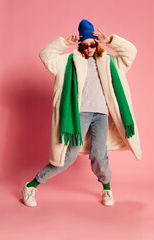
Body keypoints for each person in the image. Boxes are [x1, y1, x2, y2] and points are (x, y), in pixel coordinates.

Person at [21, 19, 142, 207]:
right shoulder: (69, 61)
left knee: (99, 155)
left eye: (92, 44)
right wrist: (64, 43)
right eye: (84, 46)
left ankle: (107, 189)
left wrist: (109, 40)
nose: (88, 49)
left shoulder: (111, 62)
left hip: (101, 115)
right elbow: (45, 55)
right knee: (67, 156)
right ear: (80, 45)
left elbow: (131, 51)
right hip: (79, 115)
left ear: (96, 43)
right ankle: (31, 185)